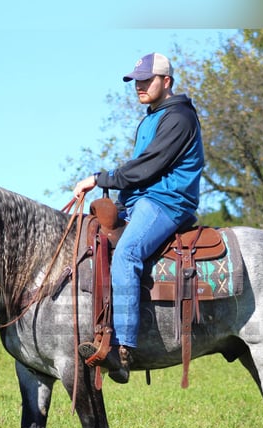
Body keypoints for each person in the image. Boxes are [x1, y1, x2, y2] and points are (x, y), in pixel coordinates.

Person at [73, 52, 205, 383]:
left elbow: (149, 166)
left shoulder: (179, 118)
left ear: (167, 81)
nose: (139, 86)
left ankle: (122, 348)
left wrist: (100, 178)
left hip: (167, 201)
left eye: (146, 80)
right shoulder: (152, 116)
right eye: (136, 81)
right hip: (141, 200)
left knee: (128, 253)